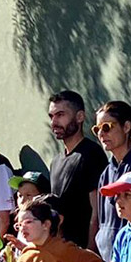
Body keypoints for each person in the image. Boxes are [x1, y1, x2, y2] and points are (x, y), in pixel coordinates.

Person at [88, 100, 131, 261]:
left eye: (107, 127)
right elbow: (99, 218)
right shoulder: (106, 172)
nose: (101, 134)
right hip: (107, 260)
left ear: (126, 127)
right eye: (97, 129)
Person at [46, 91, 108, 249]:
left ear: (80, 117)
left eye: (60, 115)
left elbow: (97, 212)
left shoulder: (92, 155)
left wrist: (89, 255)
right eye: (51, 116)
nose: (54, 122)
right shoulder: (56, 161)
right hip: (60, 254)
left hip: (84, 257)